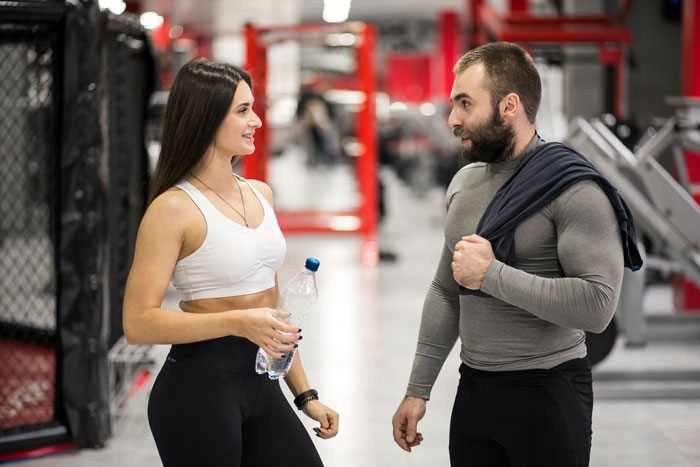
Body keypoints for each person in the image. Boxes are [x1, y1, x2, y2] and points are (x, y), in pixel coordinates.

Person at [391, 42, 642, 467]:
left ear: (510, 106)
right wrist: (418, 388)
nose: (453, 120)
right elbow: (446, 290)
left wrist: (491, 275)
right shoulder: (464, 183)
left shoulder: (574, 190)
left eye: (465, 104)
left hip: (547, 394)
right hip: (474, 391)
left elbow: (598, 306)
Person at [122, 58, 338, 467]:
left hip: (261, 383)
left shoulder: (260, 193)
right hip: (197, 389)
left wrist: (305, 394)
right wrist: (238, 322)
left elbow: (275, 315)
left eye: (253, 108)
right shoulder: (173, 209)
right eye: (242, 110)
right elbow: (137, 323)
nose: (256, 121)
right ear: (205, 117)